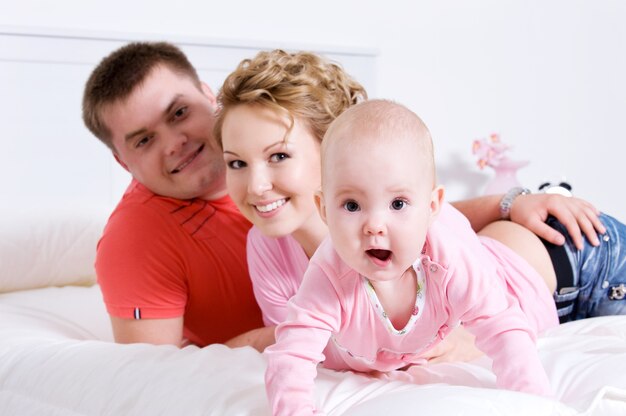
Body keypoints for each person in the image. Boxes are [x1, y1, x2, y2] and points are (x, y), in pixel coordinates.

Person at [215, 49, 620, 362]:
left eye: (279, 156)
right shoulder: (266, 247)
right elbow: (304, 342)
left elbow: (503, 318)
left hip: (579, 258)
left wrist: (475, 341)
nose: (257, 185)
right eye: (237, 162)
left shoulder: (410, 221)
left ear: (332, 153)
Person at [265, 100, 559, 414]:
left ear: (433, 206)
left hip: (551, 264)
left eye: (398, 204)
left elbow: (503, 329)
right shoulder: (328, 274)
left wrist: (535, 405)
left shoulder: (449, 261)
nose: (374, 226)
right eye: (351, 205)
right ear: (323, 208)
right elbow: (292, 356)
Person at [81, 41, 273, 350]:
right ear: (122, 162)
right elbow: (156, 376)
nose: (174, 143)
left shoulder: (283, 141)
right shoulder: (135, 238)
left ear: (210, 96)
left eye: (179, 113)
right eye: (144, 140)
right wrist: (299, 334)